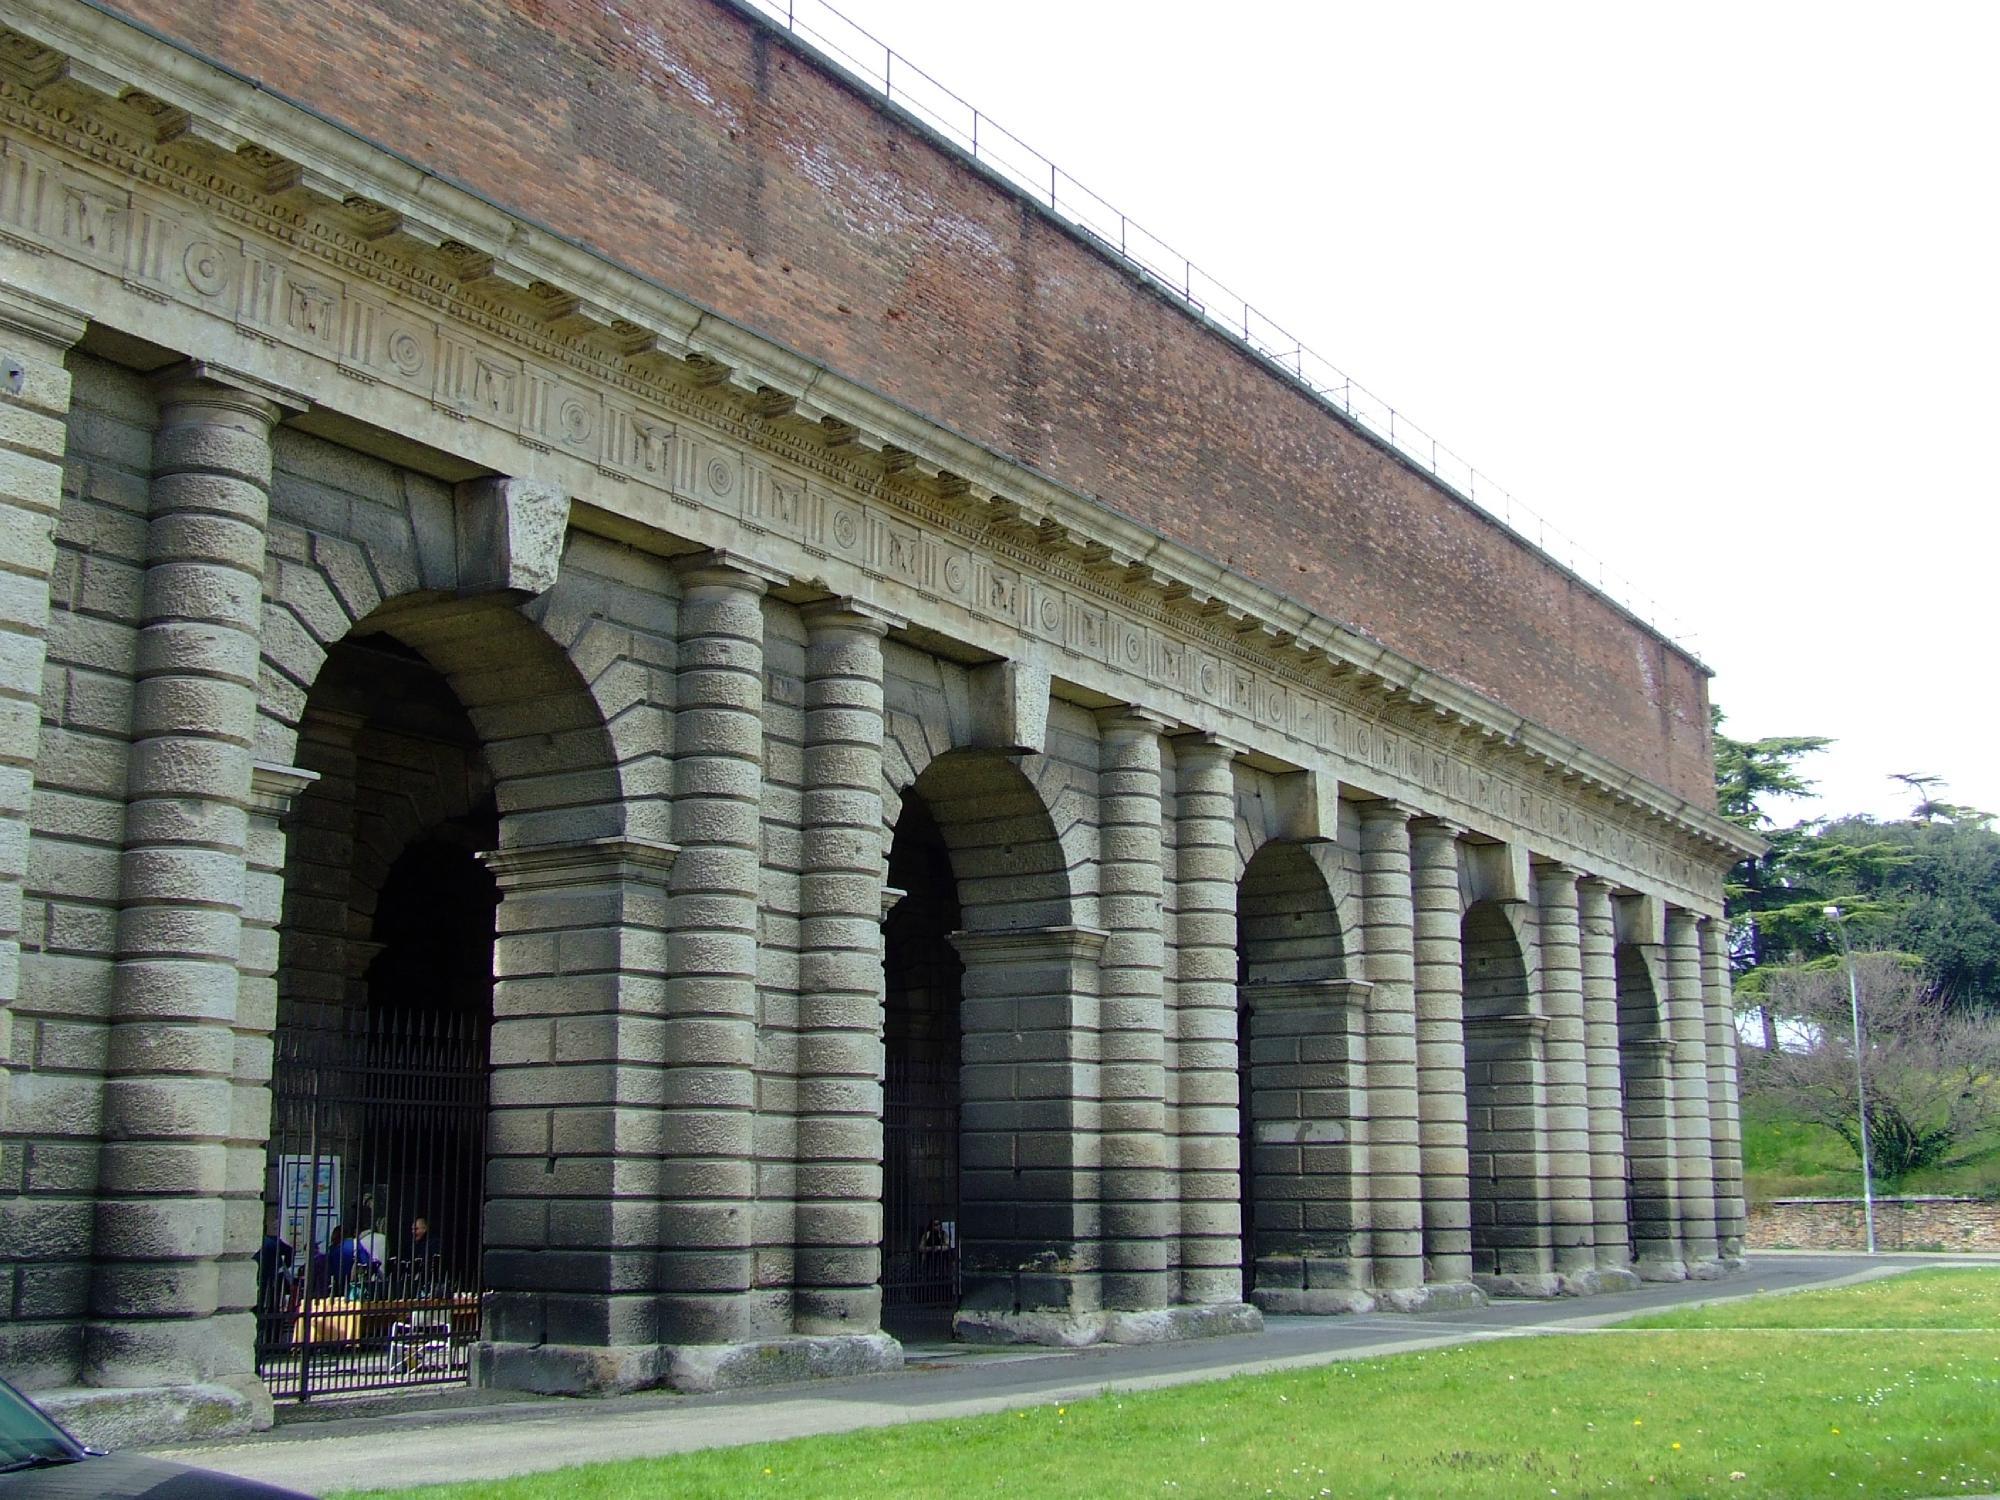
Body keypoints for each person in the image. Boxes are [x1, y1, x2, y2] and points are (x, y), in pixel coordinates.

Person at [313, 1222, 373, 1297]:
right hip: (350, 1282)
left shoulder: (332, 1248)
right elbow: (366, 1261)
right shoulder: (354, 1243)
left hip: (334, 1282)